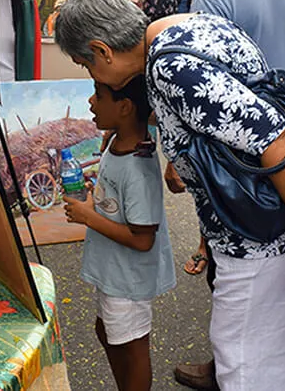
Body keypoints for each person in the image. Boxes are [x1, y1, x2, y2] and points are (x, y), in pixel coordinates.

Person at [54, 0, 285, 391]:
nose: (92, 77)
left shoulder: (169, 65)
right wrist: (185, 161)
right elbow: (222, 120)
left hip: (260, 237)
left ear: (101, 50)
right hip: (283, 217)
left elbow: (273, 140)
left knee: (244, 366)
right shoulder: (184, 26)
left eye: (85, 65)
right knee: (273, 355)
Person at [171, 0, 285, 389]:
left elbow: (208, 88)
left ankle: (226, 369)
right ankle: (269, 360)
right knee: (283, 251)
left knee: (233, 258)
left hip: (240, 149)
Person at [64, 76, 175, 391]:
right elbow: (117, 199)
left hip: (129, 279)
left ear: (125, 107)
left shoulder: (139, 169)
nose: (90, 102)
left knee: (132, 347)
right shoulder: (115, 141)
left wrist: (89, 217)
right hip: (113, 270)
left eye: (98, 95)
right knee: (108, 333)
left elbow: (143, 239)